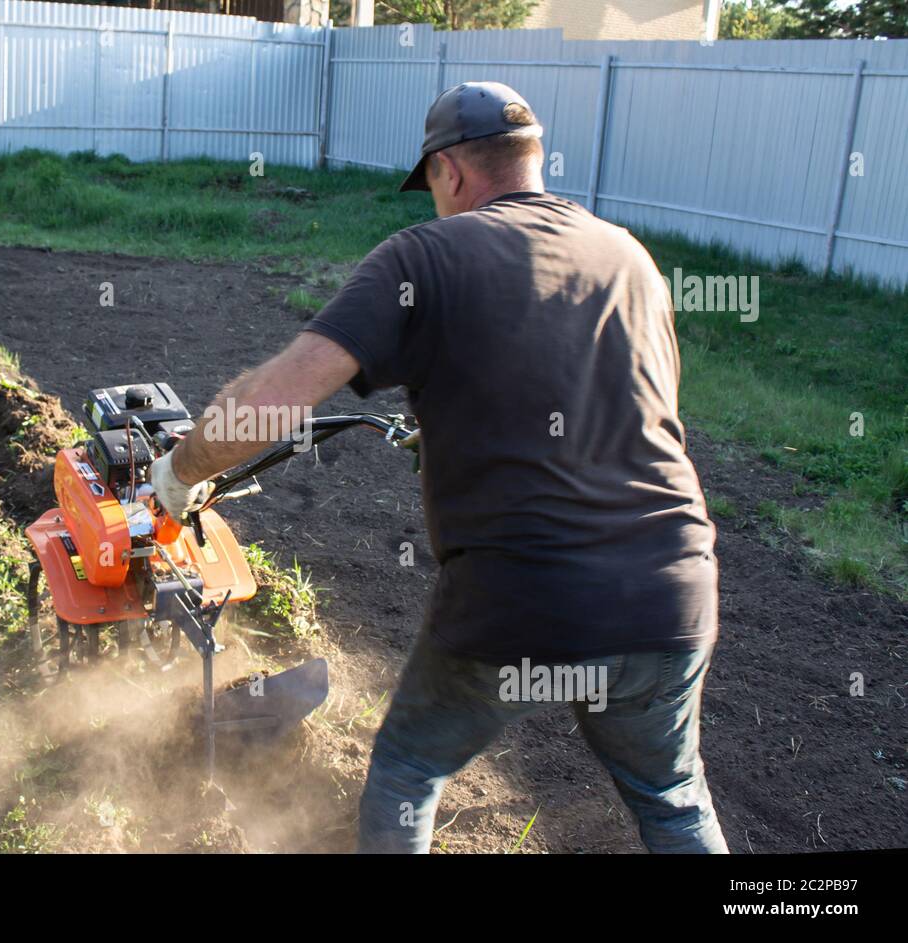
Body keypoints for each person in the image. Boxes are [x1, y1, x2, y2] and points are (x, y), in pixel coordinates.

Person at [149, 81, 728, 854]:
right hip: (670, 593)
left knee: (409, 769)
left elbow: (269, 402)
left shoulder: (424, 255)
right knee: (671, 795)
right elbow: (639, 419)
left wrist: (180, 470)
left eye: (431, 186)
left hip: (523, 597)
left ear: (448, 172)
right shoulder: (630, 258)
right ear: (534, 159)